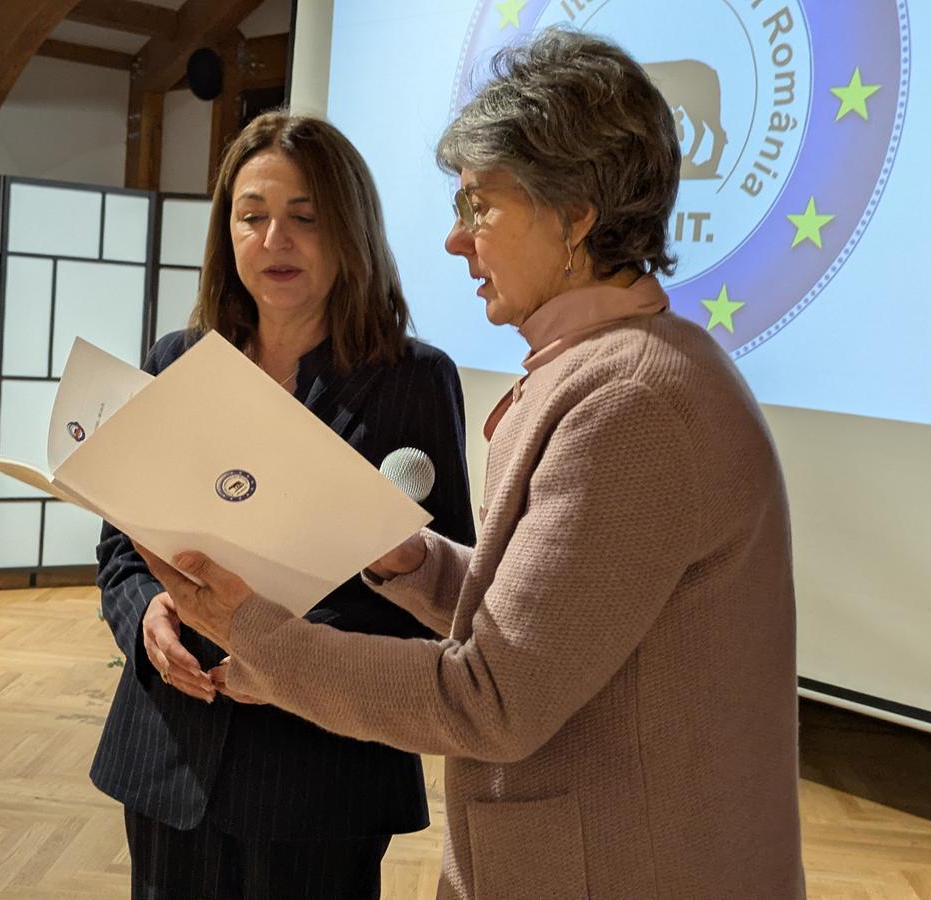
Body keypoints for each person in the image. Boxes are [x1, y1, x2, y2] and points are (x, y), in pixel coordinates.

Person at [138, 29, 806, 899]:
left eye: (479, 205)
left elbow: (489, 698)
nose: (456, 239)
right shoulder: (617, 368)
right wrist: (411, 562)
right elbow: (550, 616)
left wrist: (253, 632)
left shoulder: (629, 402)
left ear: (574, 215)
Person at [90, 111, 476, 899]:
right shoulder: (177, 360)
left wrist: (280, 655)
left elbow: (435, 599)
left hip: (319, 770)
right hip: (169, 751)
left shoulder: (411, 380)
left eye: (304, 217)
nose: (275, 240)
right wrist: (147, 619)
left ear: (349, 230)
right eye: (252, 216)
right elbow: (121, 550)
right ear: (225, 233)